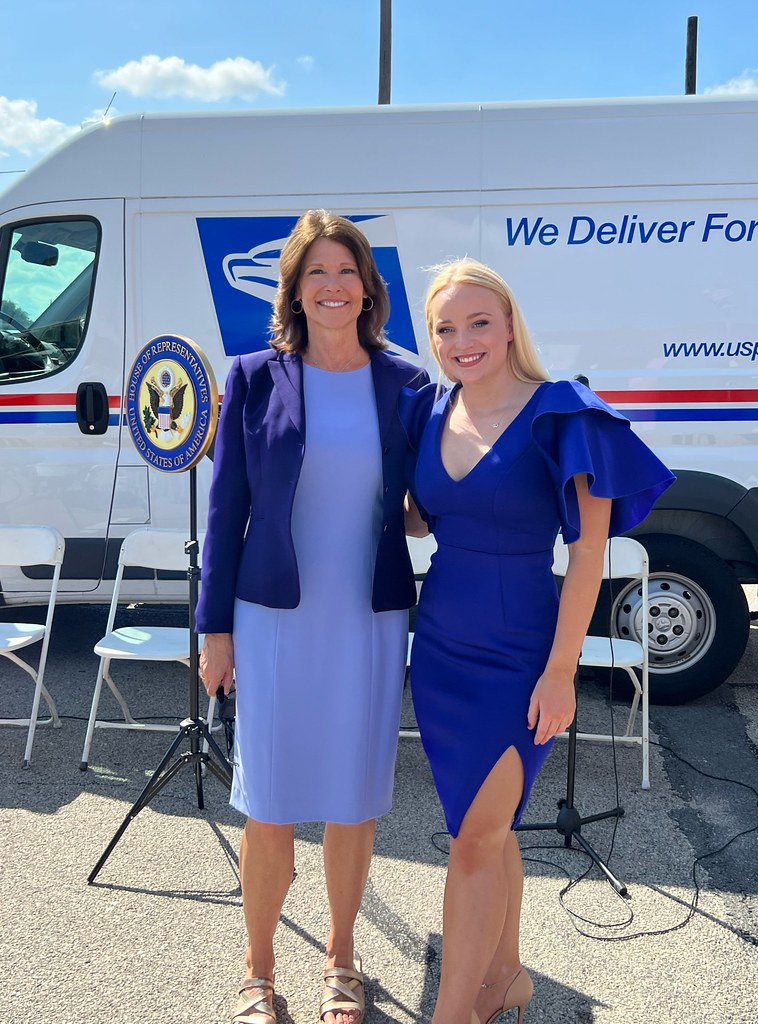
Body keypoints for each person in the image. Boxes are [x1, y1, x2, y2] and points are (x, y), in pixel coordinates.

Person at [401, 259, 674, 1024]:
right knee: (484, 829)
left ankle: (451, 1014)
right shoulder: (430, 412)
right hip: (441, 646)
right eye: (446, 328)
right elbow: (424, 517)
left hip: (520, 651)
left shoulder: (562, 412)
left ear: (511, 323)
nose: (463, 340)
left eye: (479, 321)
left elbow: (588, 554)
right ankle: (506, 979)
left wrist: (562, 673)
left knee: (474, 842)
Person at [196, 210, 429, 1024]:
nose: (332, 287)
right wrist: (213, 630)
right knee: (269, 804)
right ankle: (257, 970)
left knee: (354, 799)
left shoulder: (408, 384)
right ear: (293, 289)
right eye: (316, 273)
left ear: (369, 287)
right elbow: (227, 513)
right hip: (272, 621)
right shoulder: (255, 376)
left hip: (367, 620)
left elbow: (427, 495)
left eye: (346, 271)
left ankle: (340, 957)